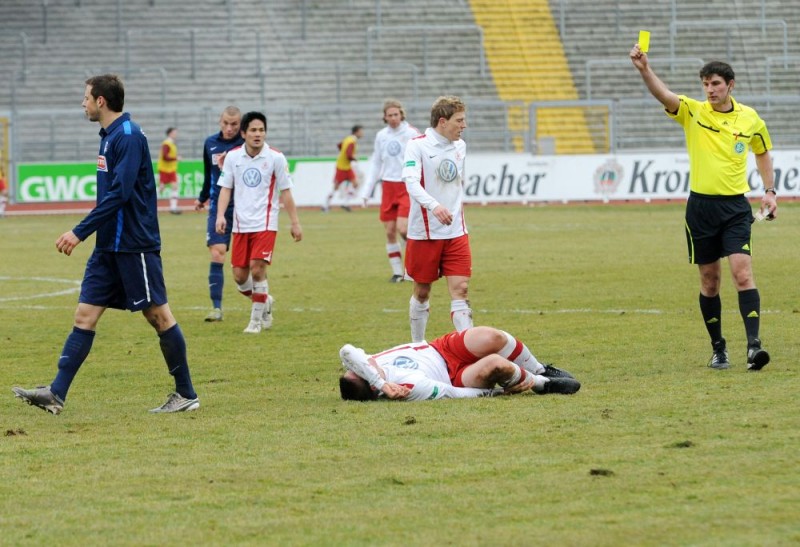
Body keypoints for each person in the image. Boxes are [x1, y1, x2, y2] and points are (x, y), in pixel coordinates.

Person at [11, 74, 199, 415]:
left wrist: (79, 231)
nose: (82, 103)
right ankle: (56, 393)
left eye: (86, 97)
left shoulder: (127, 136)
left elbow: (121, 193)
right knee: (85, 314)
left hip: (133, 244)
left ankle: (186, 394)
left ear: (101, 101)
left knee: (158, 315)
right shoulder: (109, 136)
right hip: (108, 245)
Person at [630, 45, 778, 371]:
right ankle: (719, 348)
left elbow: (762, 152)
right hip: (700, 209)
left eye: (715, 84)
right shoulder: (694, 111)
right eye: (706, 84)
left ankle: (754, 347)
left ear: (730, 85)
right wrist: (644, 70)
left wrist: (769, 191)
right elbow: (664, 95)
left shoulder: (750, 118)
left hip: (736, 208)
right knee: (710, 282)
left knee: (742, 272)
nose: (710, 90)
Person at [215, 111, 303, 334]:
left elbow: (286, 192)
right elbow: (225, 189)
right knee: (239, 277)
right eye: (253, 130)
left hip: (265, 224)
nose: (258, 134)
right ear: (243, 133)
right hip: (240, 225)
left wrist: (295, 222)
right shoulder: (233, 157)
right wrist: (220, 215)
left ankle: (255, 322)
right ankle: (266, 300)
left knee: (257, 270)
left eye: (261, 130)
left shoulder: (275, 157)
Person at [338, 326, 581, 401]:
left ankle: (539, 367)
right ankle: (542, 383)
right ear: (371, 388)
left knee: (491, 336)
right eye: (362, 372)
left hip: (440, 347)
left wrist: (378, 380)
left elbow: (348, 351)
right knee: (497, 364)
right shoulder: (406, 388)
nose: (363, 365)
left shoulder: (368, 368)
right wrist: (496, 393)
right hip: (456, 376)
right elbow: (451, 392)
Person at [401, 96, 472, 342]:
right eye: (459, 120)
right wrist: (434, 206)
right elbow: (410, 181)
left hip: (456, 231)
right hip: (425, 233)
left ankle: (468, 349)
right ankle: (417, 345)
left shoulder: (460, 146)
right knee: (422, 291)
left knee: (461, 290)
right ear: (443, 121)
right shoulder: (417, 145)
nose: (464, 126)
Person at [361, 99, 421, 283]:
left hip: (405, 186)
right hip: (387, 186)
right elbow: (376, 163)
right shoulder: (381, 136)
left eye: (396, 114)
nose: (393, 118)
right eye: (390, 115)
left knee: (403, 228)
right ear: (385, 117)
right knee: (389, 231)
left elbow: (422, 155)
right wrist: (366, 191)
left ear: (401, 115)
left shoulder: (411, 132)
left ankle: (414, 265)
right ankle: (397, 273)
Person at [194, 106, 244, 322]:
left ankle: (261, 301)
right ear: (219, 121)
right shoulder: (210, 143)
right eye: (226, 123)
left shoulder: (246, 144)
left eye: (234, 124)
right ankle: (216, 308)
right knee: (217, 253)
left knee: (247, 266)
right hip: (218, 206)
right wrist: (202, 197)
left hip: (244, 206)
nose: (229, 128)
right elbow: (209, 173)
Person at [323, 124, 363, 212]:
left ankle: (345, 203)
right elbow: (349, 155)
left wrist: (343, 154)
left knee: (355, 184)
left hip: (346, 166)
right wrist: (354, 158)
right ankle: (325, 205)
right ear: (356, 132)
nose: (362, 134)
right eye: (361, 132)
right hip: (342, 167)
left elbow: (339, 145)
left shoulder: (348, 139)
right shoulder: (352, 141)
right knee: (336, 187)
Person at [157, 127, 181, 214]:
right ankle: (148, 204)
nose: (176, 134)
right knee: (162, 188)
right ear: (170, 133)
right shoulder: (166, 143)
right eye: (175, 132)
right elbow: (165, 157)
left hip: (171, 169)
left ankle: (173, 207)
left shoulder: (172, 143)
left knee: (175, 186)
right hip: (164, 168)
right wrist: (176, 158)